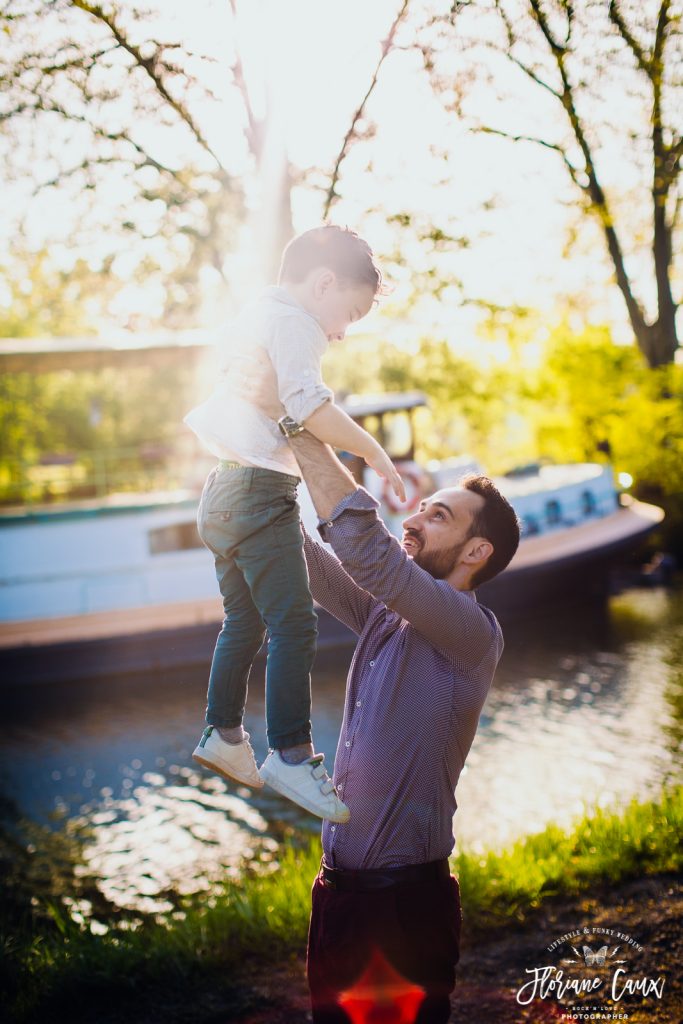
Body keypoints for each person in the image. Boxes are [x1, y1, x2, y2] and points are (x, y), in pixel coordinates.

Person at [254, 403, 521, 1023]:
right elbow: (311, 564)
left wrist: (300, 423)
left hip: (405, 906)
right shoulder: (385, 615)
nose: (417, 516)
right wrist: (254, 467)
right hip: (339, 899)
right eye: (424, 507)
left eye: (439, 515)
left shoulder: (472, 631)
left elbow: (371, 554)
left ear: (476, 550)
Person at [184, 226, 405, 825]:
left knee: (245, 621)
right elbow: (308, 405)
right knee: (296, 624)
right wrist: (374, 453)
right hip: (259, 491)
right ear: (323, 283)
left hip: (221, 492)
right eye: (349, 314)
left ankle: (224, 733)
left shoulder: (257, 310)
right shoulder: (298, 323)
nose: (340, 331)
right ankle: (291, 753)